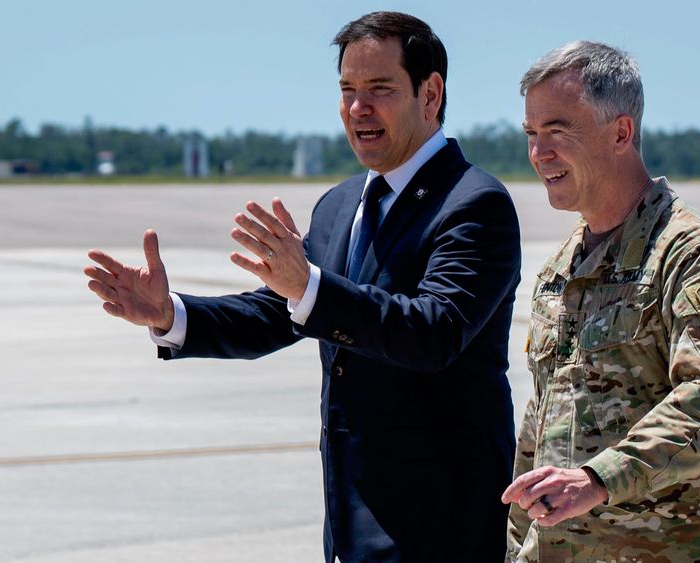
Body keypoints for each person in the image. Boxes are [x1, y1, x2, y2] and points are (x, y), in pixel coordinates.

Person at [84, 11, 521, 563]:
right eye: (347, 90)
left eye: (380, 89)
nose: (358, 108)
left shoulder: (474, 204)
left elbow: (433, 332)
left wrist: (308, 284)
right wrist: (170, 315)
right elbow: (279, 312)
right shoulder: (340, 205)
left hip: (442, 530)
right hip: (351, 527)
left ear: (430, 95)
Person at [502, 41, 700, 562]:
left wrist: (599, 479)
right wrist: (516, 543)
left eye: (558, 130)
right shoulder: (561, 268)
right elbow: (541, 420)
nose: (539, 153)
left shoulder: (690, 252)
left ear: (621, 132)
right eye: (531, 133)